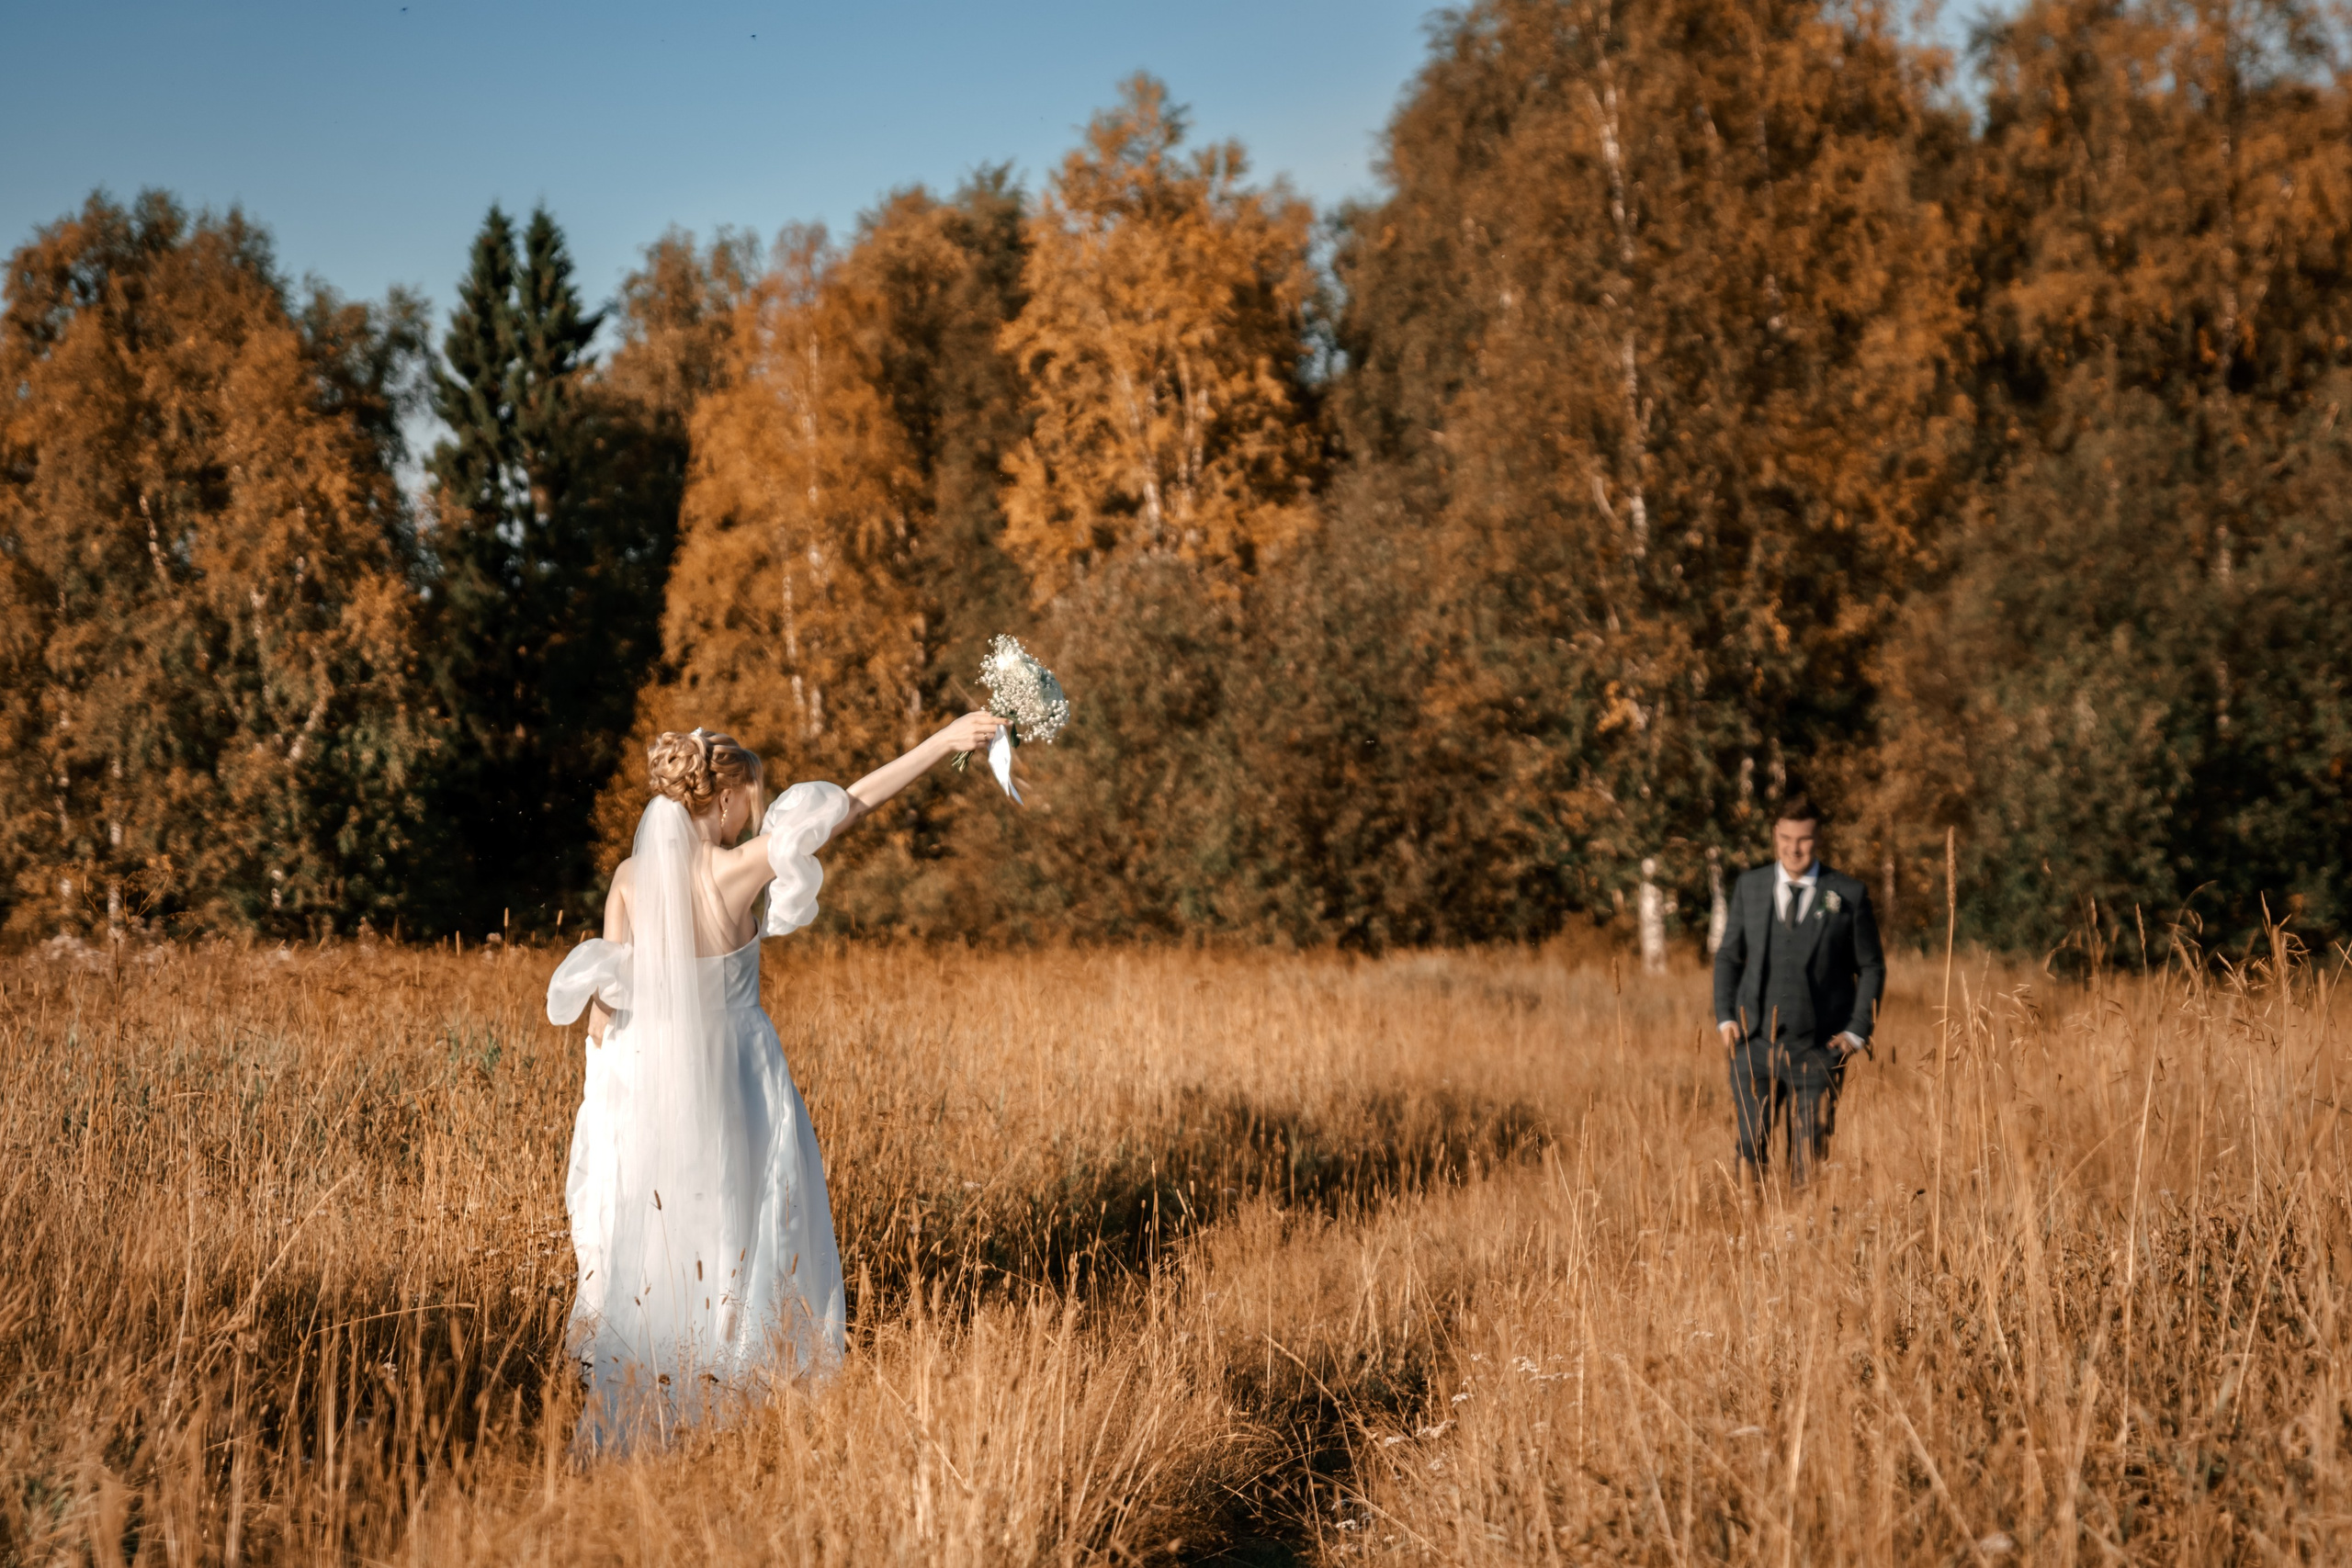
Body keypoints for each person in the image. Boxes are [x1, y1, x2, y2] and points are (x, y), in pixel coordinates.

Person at [545, 713, 998, 1446]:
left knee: (664, 1233)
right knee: (747, 1227)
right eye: (748, 798)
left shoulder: (629, 879)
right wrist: (942, 741)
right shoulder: (738, 867)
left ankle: (659, 1403)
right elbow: (851, 804)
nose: (753, 812)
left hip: (648, 1081)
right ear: (722, 800)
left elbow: (604, 1011)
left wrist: (603, 1111)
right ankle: (739, 1404)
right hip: (743, 1078)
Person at [1712, 793, 1886, 1188]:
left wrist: (1858, 1030)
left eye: (1803, 839)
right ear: (1775, 836)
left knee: (1809, 1158)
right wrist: (1725, 1018)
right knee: (1749, 1147)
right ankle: (1751, 1235)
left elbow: (1871, 966)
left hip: (1820, 1048)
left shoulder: (1847, 894)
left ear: (1818, 838)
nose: (1794, 848)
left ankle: (1801, 1239)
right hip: (1753, 1043)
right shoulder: (1750, 887)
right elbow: (1728, 958)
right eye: (1786, 838)